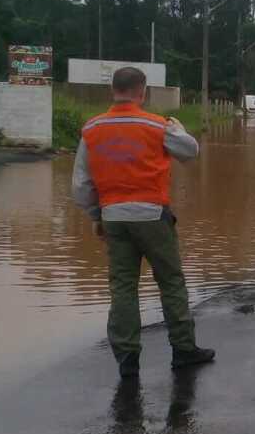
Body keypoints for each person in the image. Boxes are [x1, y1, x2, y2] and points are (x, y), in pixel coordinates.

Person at [72, 66, 215, 378]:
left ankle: (127, 360)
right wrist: (178, 127)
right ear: (142, 91)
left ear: (114, 89)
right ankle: (183, 350)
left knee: (123, 288)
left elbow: (81, 186)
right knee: (170, 282)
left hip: (113, 218)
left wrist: (96, 216)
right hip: (152, 215)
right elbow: (190, 152)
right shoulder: (157, 125)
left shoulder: (92, 129)